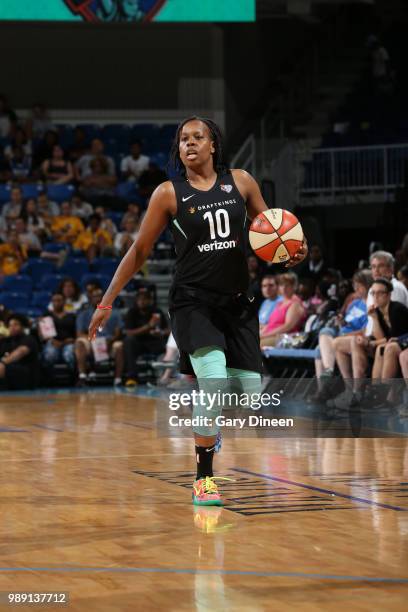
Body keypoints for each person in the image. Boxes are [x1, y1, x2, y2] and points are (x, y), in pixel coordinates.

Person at [88, 116, 307, 506]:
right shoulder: (168, 194)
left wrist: (292, 250)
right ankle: (204, 477)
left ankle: (210, 424)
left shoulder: (241, 181)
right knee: (213, 381)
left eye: (197, 137)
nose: (189, 144)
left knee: (244, 392)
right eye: (183, 140)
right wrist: (106, 301)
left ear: (213, 146)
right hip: (193, 302)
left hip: (238, 304)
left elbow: (269, 230)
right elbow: (138, 251)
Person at [314, 270, 371, 396]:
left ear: (368, 285)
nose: (355, 288)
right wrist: (342, 322)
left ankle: (331, 387)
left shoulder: (370, 304)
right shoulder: (355, 303)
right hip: (343, 333)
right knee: (325, 333)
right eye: (355, 284)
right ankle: (323, 386)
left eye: (359, 285)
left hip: (353, 336)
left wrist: (347, 334)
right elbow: (347, 322)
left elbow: (367, 330)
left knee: (321, 348)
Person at [76, 286, 123, 386]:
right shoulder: (83, 314)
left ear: (104, 297)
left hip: (109, 341)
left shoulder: (115, 312)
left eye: (100, 296)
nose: (97, 298)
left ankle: (118, 380)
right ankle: (82, 377)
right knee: (80, 342)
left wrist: (111, 340)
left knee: (119, 346)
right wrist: (92, 340)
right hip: (91, 340)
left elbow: (118, 333)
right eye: (95, 296)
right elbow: (79, 333)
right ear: (90, 298)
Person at [123, 289, 169, 386]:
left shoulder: (157, 311)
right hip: (138, 342)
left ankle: (166, 376)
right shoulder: (132, 312)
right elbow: (128, 332)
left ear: (150, 300)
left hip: (154, 341)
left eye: (144, 299)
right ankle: (132, 377)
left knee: (169, 344)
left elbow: (168, 330)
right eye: (139, 299)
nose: (141, 302)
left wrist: (161, 333)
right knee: (128, 341)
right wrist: (148, 326)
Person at [260, 273, 306, 348]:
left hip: (283, 338)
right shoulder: (280, 303)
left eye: (287, 285)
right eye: (281, 285)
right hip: (270, 336)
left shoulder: (295, 303)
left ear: (293, 287)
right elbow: (270, 324)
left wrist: (265, 335)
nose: (284, 288)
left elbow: (287, 327)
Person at [0, 315, 39, 390]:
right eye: (10, 325)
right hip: (9, 373)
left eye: (16, 325)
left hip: (26, 375)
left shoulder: (29, 339)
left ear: (23, 327)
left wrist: (2, 362)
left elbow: (20, 352)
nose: (12, 327)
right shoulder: (7, 341)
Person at [40, 292, 76, 370]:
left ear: (64, 301)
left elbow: (76, 332)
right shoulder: (46, 315)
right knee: (50, 355)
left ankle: (73, 378)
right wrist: (51, 340)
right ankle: (49, 378)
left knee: (69, 355)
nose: (56, 303)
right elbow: (44, 336)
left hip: (69, 342)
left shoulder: (72, 316)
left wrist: (72, 339)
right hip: (53, 341)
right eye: (54, 300)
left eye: (59, 300)